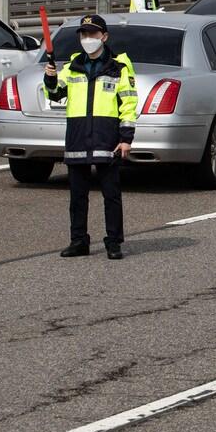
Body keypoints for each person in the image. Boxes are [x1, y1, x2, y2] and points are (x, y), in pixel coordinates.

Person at [44, 15, 137, 260]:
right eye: (84, 35)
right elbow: (55, 95)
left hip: (108, 139)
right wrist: (50, 78)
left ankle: (114, 242)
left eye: (93, 34)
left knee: (111, 195)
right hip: (77, 137)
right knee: (77, 197)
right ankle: (78, 241)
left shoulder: (119, 67)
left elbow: (128, 104)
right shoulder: (73, 66)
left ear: (104, 37)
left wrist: (126, 138)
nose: (88, 39)